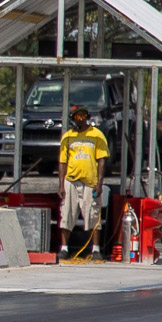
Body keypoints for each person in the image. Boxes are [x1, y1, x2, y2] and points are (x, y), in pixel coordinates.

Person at [57, 106, 110, 260]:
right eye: (77, 117)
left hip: (90, 181)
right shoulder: (68, 136)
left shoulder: (97, 135)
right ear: (73, 119)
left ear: (87, 117)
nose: (80, 119)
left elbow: (102, 160)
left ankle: (96, 250)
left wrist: (99, 183)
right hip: (71, 180)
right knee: (67, 213)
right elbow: (62, 161)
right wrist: (61, 185)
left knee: (93, 214)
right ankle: (64, 248)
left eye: (83, 116)